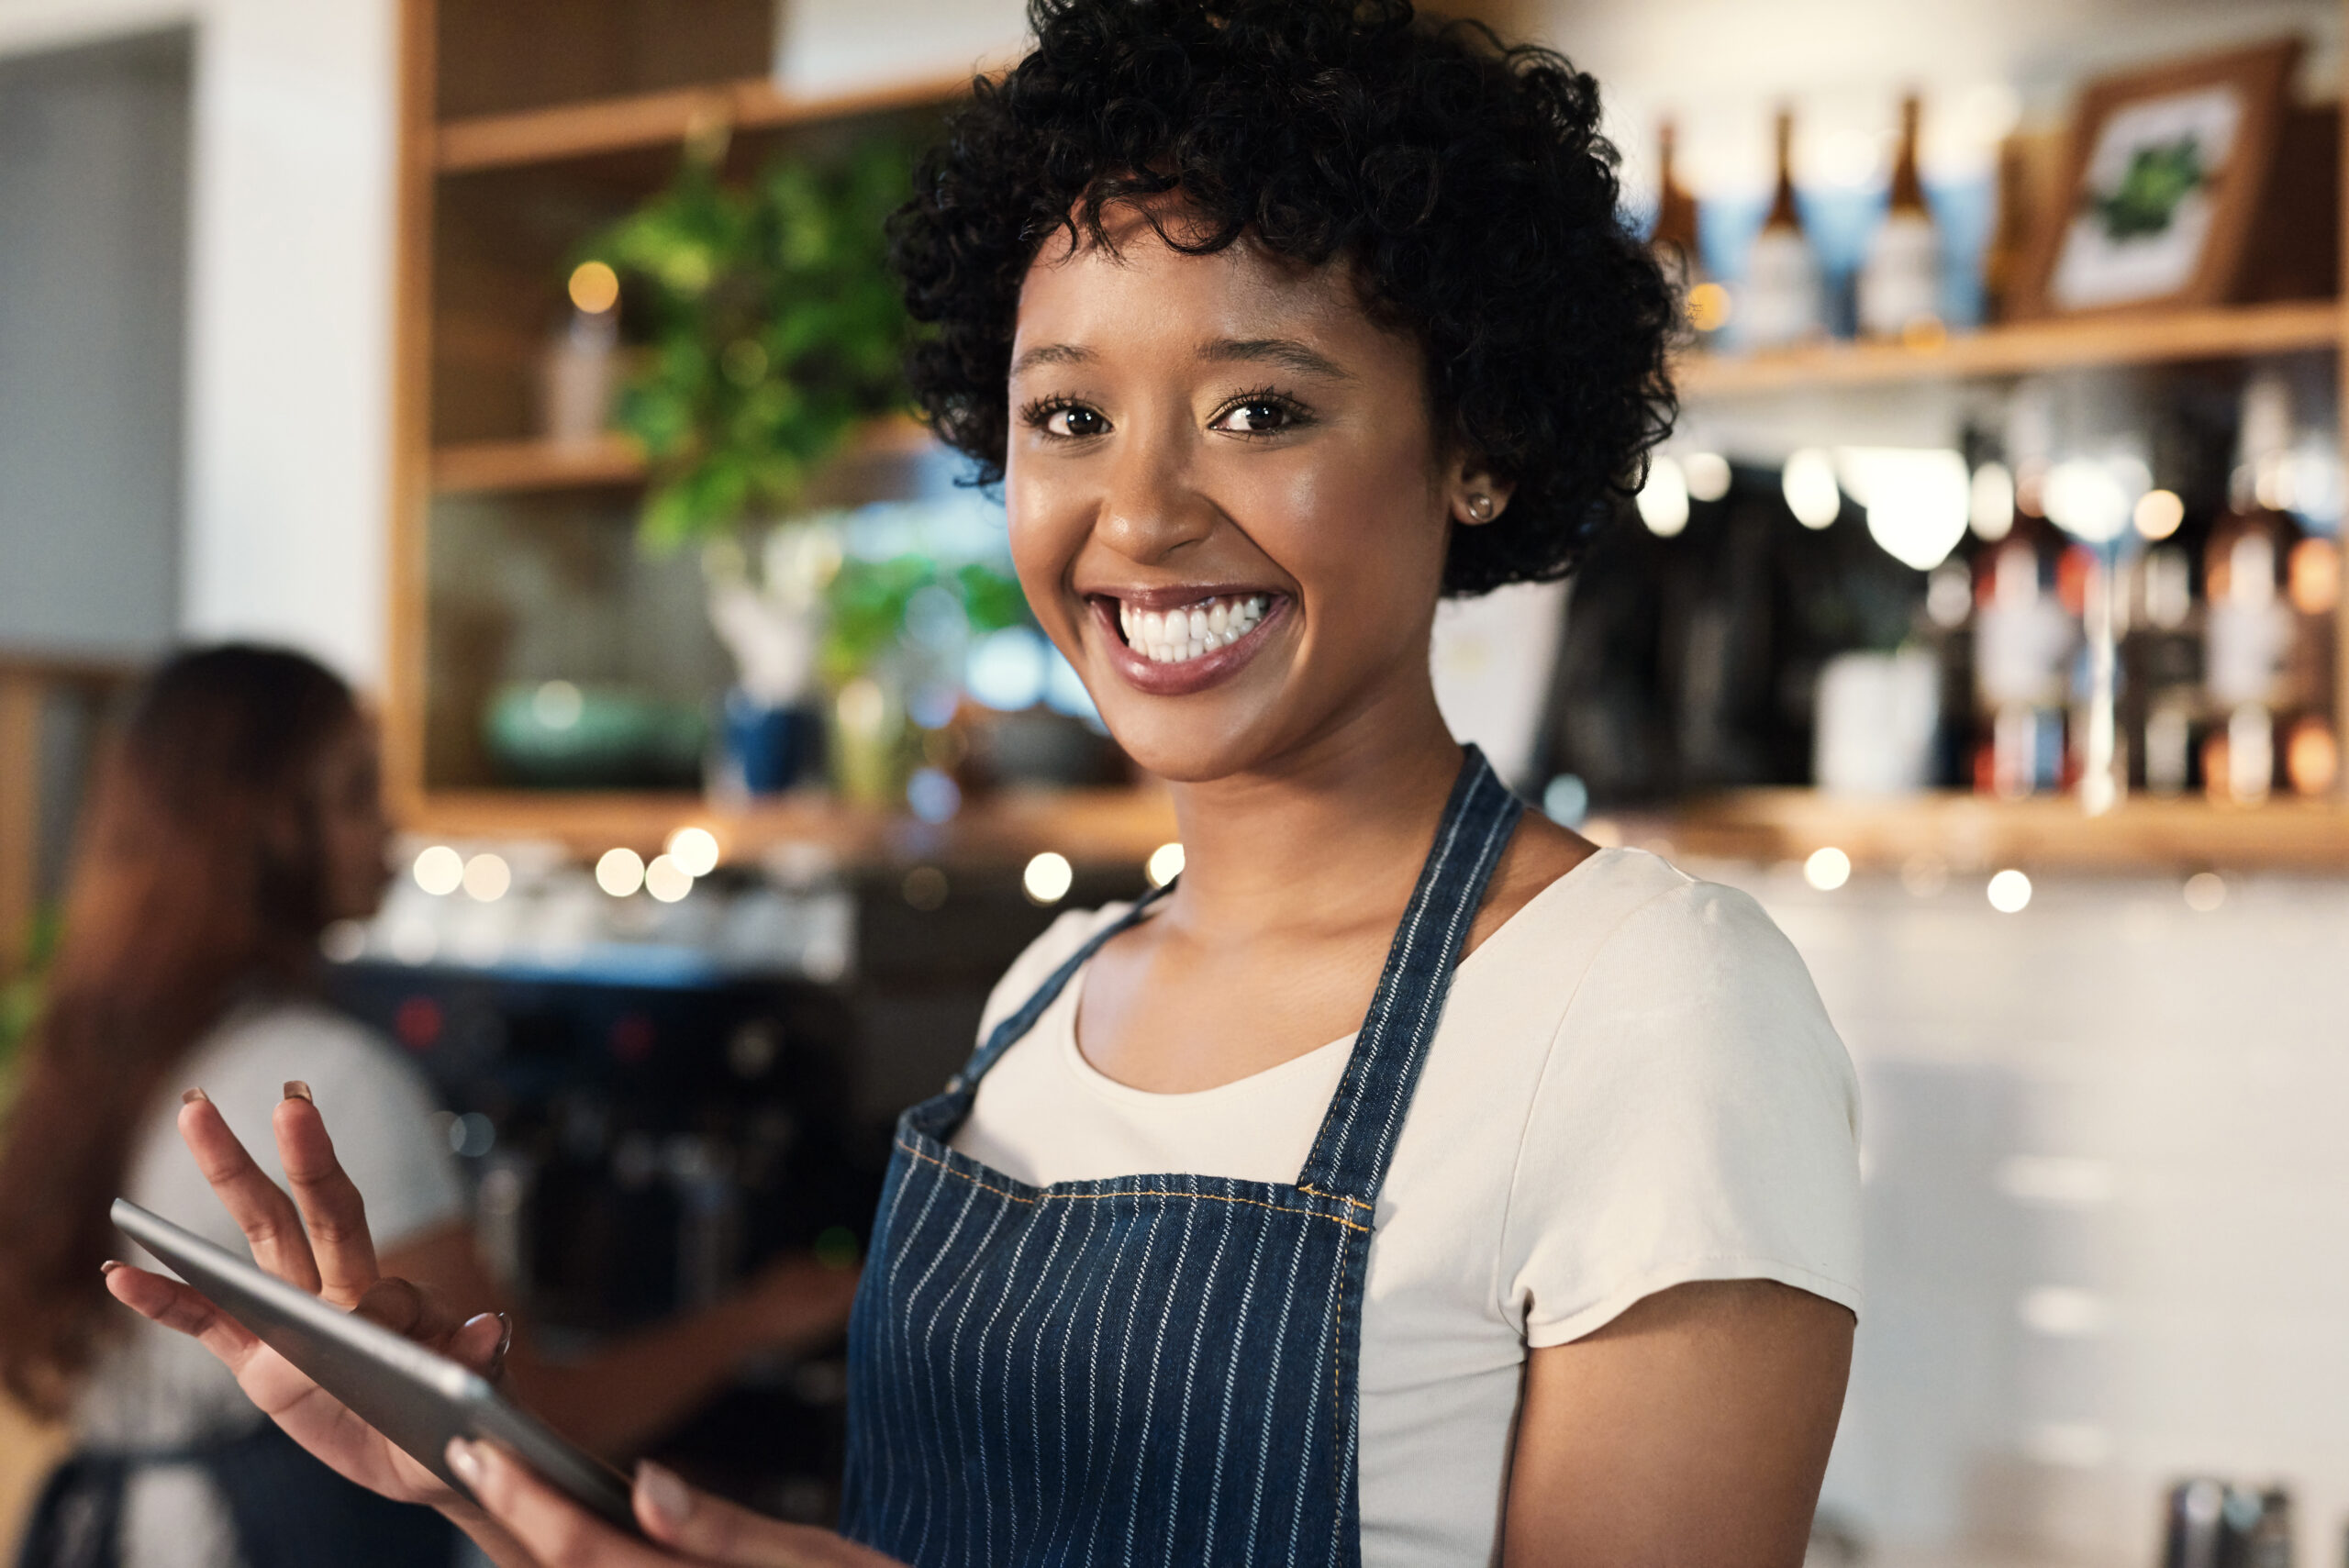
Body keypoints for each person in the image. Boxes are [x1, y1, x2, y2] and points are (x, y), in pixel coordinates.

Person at [105, 2, 1866, 1562]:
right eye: (1069, 417)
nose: (1143, 513)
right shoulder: (1043, 995)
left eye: (1260, 407)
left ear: (1477, 443)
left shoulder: (1651, 1004)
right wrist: (494, 1480)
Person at [0, 646, 856, 1568]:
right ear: (264, 825)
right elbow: (527, 1416)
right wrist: (760, 1316)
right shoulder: (324, 1074)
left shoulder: (106, 1049)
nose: (393, 827)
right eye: (359, 791)